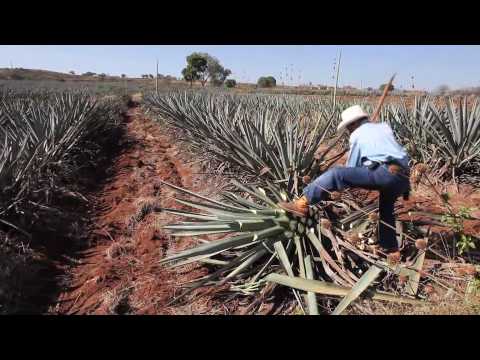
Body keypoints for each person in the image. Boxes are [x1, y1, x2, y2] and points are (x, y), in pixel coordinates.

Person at [279, 105, 410, 259]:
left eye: (348, 127)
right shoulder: (383, 127)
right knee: (386, 209)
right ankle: (391, 249)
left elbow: (351, 167)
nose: (349, 130)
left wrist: (337, 187)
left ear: (353, 124)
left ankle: (302, 204)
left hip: (386, 173)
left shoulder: (357, 134)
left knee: (337, 173)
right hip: (403, 177)